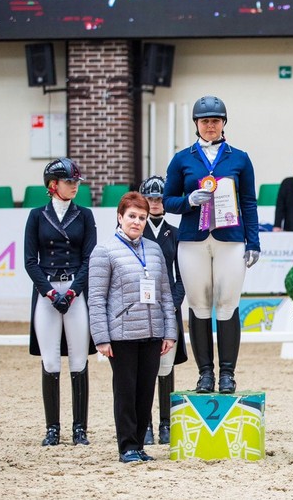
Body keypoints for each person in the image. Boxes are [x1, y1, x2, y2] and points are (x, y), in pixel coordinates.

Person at [163, 95, 261, 394]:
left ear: (223, 124)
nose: (210, 126)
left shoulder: (239, 158)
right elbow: (167, 201)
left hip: (229, 238)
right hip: (193, 239)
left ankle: (228, 373)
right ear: (196, 124)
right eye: (205, 121)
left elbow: (248, 201)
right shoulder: (182, 159)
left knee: (228, 303)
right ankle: (205, 372)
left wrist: (253, 240)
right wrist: (188, 201)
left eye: (215, 121)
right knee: (199, 304)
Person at [88, 192, 177, 463]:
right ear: (120, 217)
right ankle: (126, 446)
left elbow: (164, 293)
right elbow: (96, 298)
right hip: (121, 335)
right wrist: (101, 338)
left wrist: (170, 331)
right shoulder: (104, 251)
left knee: (145, 392)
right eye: (132, 216)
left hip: (152, 334)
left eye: (142, 217)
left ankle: (138, 445)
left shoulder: (154, 250)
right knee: (125, 392)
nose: (137, 222)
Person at [24, 157, 97, 447]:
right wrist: (50, 292)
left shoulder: (85, 215)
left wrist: (74, 291)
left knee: (78, 360)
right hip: (47, 293)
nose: (75, 186)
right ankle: (52, 428)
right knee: (51, 360)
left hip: (75, 292)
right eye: (70, 182)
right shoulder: (36, 216)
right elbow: (31, 261)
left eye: (76, 182)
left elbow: (90, 258)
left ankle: (80, 428)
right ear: (53, 185)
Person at [139, 176, 188, 445]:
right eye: (150, 199)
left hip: (168, 305)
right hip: (141, 306)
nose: (155, 204)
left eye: (159, 199)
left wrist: (173, 303)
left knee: (165, 367)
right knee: (145, 367)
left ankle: (165, 423)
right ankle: (145, 424)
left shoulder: (175, 233)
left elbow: (181, 276)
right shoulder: (136, 230)